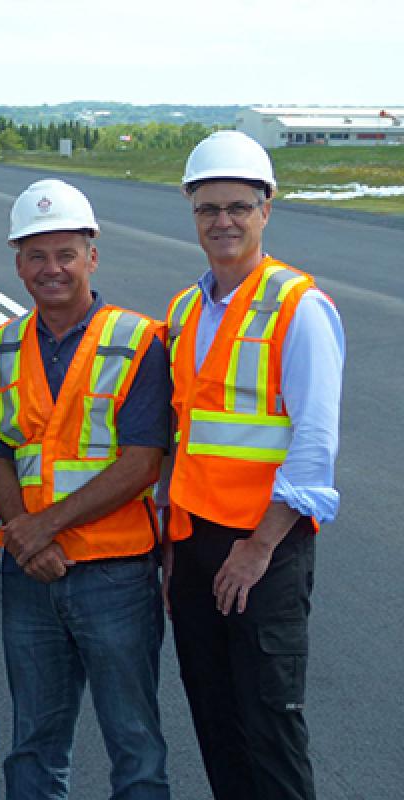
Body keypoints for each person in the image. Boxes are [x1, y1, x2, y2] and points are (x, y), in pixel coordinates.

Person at [164, 131, 344, 800]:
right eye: (208, 208)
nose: (223, 221)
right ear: (192, 212)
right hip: (195, 543)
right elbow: (183, 437)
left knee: (269, 724)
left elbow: (315, 445)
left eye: (238, 206)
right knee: (215, 719)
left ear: (267, 209)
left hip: (264, 548)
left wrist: (258, 546)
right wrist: (174, 546)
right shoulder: (185, 310)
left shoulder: (300, 308)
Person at [0, 179, 170, 799]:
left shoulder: (138, 340)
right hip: (32, 575)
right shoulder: (3, 346)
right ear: (17, 264)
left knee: (135, 745)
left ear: (92, 255)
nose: (52, 269)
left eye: (65, 253)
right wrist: (26, 539)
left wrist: (45, 525)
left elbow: (144, 459)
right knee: (34, 748)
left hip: (116, 575)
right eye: (36, 256)